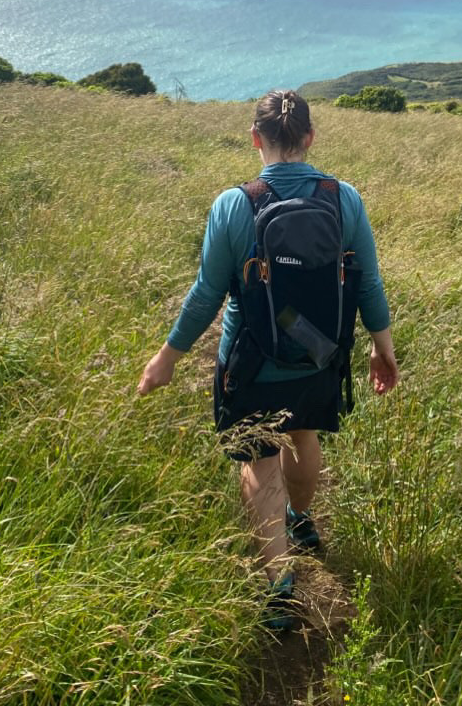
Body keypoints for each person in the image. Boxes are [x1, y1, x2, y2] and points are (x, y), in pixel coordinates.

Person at [137, 89, 399, 628]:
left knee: (258, 459)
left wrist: (167, 357)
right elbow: (368, 282)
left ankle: (279, 587)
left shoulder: (233, 204)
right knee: (304, 436)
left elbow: (206, 295)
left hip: (252, 361)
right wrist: (382, 348)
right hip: (320, 358)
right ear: (310, 138)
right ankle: (300, 519)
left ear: (256, 138)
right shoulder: (345, 199)